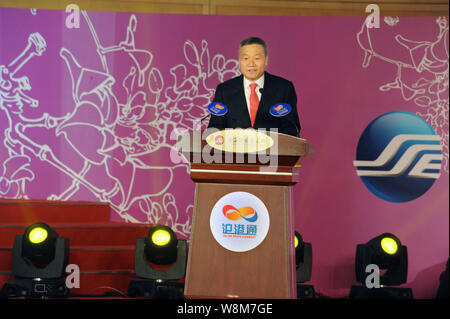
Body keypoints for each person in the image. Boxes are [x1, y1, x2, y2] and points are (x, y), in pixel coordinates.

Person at [208, 37, 301, 137]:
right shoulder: (224, 90)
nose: (251, 64)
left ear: (266, 60)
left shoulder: (284, 88)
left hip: (272, 151)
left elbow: (291, 129)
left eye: (257, 58)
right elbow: (215, 128)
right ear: (239, 61)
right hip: (235, 150)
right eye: (246, 58)